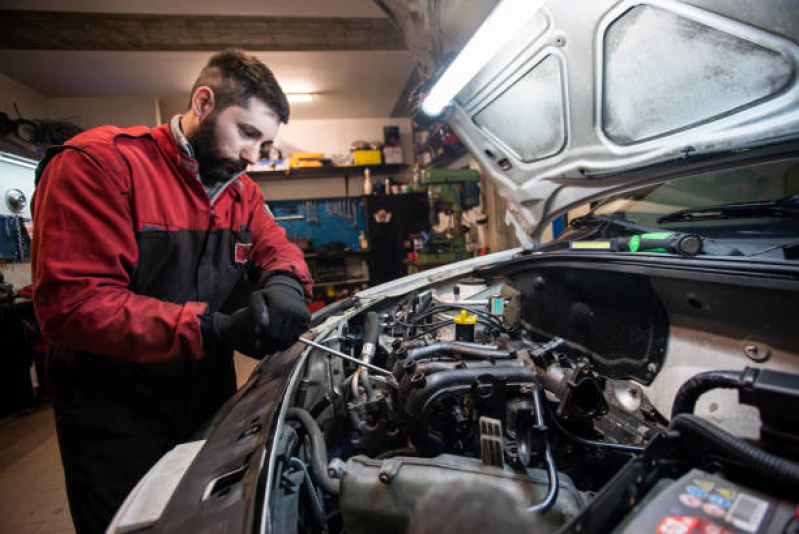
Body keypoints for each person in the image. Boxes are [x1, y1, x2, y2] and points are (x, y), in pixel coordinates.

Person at [30, 49, 312, 534]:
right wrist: (214, 328)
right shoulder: (100, 165)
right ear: (203, 103)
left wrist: (286, 282)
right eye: (247, 133)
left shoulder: (240, 192)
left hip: (206, 395)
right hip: (113, 408)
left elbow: (276, 247)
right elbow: (73, 306)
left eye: (264, 143)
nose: (253, 156)